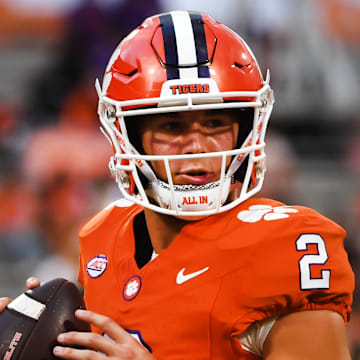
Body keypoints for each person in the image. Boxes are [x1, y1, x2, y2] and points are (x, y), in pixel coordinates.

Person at [0, 10, 355, 359]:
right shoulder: (103, 235)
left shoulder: (290, 246)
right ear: (129, 138)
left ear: (246, 129)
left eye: (215, 122)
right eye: (172, 126)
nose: (197, 145)